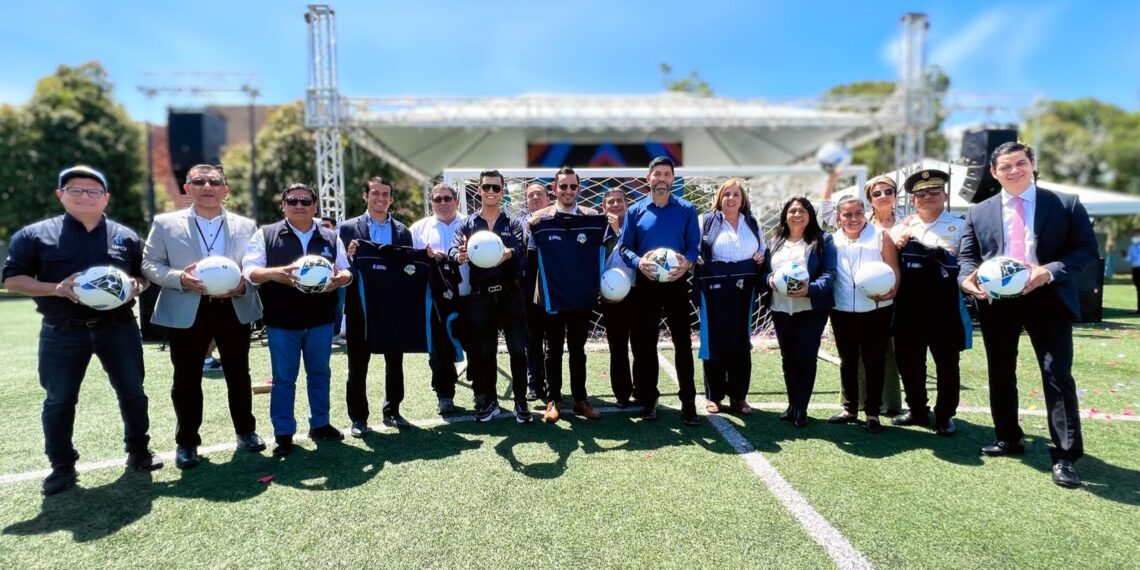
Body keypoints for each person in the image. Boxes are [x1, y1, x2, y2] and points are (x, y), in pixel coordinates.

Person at [2, 165, 162, 495]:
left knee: (133, 391)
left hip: (118, 327)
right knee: (59, 399)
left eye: (93, 191)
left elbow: (143, 277)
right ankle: (62, 466)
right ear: (60, 195)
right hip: (63, 330)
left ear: (105, 198)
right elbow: (13, 280)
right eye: (76, 190)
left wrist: (136, 285)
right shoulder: (35, 235)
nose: (85, 196)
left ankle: (139, 450)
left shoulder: (125, 237)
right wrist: (56, 289)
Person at [959, 142, 1098, 488]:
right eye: (1005, 167)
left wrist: (1048, 271)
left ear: (1032, 164)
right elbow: (966, 257)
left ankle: (1065, 455)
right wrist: (966, 280)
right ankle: (1008, 437)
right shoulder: (978, 212)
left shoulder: (1065, 203)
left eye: (1020, 163)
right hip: (997, 302)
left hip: (1047, 297)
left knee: (1056, 374)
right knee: (1000, 371)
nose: (1014, 171)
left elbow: (1086, 251)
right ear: (994, 173)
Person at [142, 164, 266, 469]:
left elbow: (255, 265)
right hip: (187, 308)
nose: (207, 187)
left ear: (225, 190)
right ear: (187, 188)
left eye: (214, 182)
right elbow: (150, 263)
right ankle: (187, 442)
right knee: (186, 378)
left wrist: (244, 285)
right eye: (199, 181)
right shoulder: (165, 224)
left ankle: (246, 431)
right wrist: (179, 279)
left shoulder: (246, 226)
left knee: (239, 374)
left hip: (233, 307)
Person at [243, 184, 352, 456]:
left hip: (320, 320)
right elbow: (249, 271)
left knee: (320, 373)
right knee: (283, 378)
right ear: (283, 205)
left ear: (315, 206)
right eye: (292, 201)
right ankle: (283, 433)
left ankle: (320, 423)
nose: (299, 205)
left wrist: (341, 279)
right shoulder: (266, 234)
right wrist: (274, 273)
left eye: (305, 201)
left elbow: (346, 271)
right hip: (282, 320)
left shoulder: (330, 236)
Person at [619, 157, 701, 426]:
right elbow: (624, 247)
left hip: (677, 283)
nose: (662, 179)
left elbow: (693, 246)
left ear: (673, 178)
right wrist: (638, 262)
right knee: (646, 345)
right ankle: (649, 398)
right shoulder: (635, 211)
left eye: (667, 174)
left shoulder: (687, 209)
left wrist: (687, 262)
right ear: (649, 178)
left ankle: (688, 401)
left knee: (683, 345)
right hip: (647, 284)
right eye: (657, 174)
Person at [890, 169, 970, 437]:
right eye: (920, 194)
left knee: (947, 364)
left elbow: (970, 261)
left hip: (944, 307)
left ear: (944, 196)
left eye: (933, 192)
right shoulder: (902, 227)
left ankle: (945, 414)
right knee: (909, 362)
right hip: (908, 306)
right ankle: (917, 409)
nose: (926, 197)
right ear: (913, 200)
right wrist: (896, 243)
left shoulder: (961, 226)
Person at [448, 170, 531, 423]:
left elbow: (520, 247)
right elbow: (453, 249)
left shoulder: (513, 223)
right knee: (485, 352)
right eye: (486, 187)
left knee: (518, 350)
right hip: (481, 298)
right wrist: (459, 255)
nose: (491, 192)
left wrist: (507, 253)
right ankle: (491, 401)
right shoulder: (467, 224)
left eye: (496, 188)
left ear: (502, 191)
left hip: (510, 295)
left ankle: (520, 401)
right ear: (479, 190)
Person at [822, 172, 904, 416]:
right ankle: (850, 408)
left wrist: (891, 292)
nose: (854, 218)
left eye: (858, 213)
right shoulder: (832, 240)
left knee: (874, 360)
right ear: (839, 217)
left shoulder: (880, 235)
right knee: (848, 361)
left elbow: (893, 268)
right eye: (847, 215)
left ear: (864, 212)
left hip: (875, 310)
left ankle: (872, 412)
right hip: (841, 310)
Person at [527, 166, 605, 422]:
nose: (568, 191)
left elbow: (610, 244)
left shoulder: (593, 218)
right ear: (555, 189)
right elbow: (530, 258)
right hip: (552, 297)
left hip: (581, 297)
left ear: (578, 189)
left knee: (578, 350)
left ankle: (580, 400)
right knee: (553, 351)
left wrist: (614, 224)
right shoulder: (538, 221)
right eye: (563, 186)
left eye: (573, 186)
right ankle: (554, 400)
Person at [339, 177, 414, 436]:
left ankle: (392, 410)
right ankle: (359, 418)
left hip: (392, 307)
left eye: (385, 194)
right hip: (359, 306)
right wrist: (348, 256)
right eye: (375, 193)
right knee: (357, 364)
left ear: (391, 199)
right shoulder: (347, 228)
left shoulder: (403, 231)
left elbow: (408, 268)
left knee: (395, 362)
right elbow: (340, 265)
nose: (380, 198)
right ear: (365, 196)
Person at [764, 196, 835, 428]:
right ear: (785, 215)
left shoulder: (822, 239)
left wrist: (809, 289)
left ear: (810, 215)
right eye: (792, 211)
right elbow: (764, 271)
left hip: (810, 309)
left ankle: (802, 407)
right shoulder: (775, 241)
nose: (797, 214)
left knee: (805, 357)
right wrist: (769, 279)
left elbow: (829, 273)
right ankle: (792, 404)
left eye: (802, 210)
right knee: (788, 358)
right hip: (781, 308)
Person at [696, 178, 765, 415]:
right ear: (719, 198)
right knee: (714, 341)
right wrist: (696, 256)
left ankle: (739, 397)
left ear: (742, 199)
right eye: (726, 194)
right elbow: (693, 247)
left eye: (736, 194)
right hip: (713, 286)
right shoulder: (706, 221)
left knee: (740, 341)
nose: (731, 198)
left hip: (744, 287)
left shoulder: (753, 222)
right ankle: (714, 396)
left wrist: (760, 256)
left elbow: (762, 249)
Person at [410, 183, 467, 414]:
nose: (443, 203)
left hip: (470, 295)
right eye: (437, 199)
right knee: (439, 350)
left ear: (457, 201)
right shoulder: (418, 229)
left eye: (447, 198)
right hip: (434, 300)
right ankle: (444, 395)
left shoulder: (471, 224)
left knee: (477, 345)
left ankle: (483, 394)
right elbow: (410, 265)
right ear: (431, 203)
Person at [600, 187, 636, 407]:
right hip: (611, 296)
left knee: (641, 345)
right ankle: (622, 394)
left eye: (619, 201)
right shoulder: (599, 230)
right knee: (618, 346)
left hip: (637, 293)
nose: (615, 205)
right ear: (604, 207)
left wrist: (619, 231)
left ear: (626, 204)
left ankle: (643, 390)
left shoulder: (636, 227)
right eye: (610, 202)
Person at [520, 182, 552, 402]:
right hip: (528, 290)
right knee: (531, 340)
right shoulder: (519, 224)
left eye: (539, 194)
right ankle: (534, 383)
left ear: (548, 198)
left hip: (553, 288)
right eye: (530, 195)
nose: (535, 197)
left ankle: (551, 383)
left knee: (553, 341)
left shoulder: (557, 219)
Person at [320, 216, 347, 345]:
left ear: (334, 227)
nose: (323, 228)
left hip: (339, 280)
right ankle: (323, 335)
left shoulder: (337, 240)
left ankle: (335, 334)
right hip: (321, 281)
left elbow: (344, 264)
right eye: (321, 225)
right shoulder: (317, 240)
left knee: (339, 307)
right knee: (324, 307)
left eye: (327, 226)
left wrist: (340, 273)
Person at [1126, 229, 1140, 313]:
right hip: (1135, 269)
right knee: (1138, 289)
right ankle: (1139, 308)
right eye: (1134, 235)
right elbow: (1129, 258)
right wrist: (1125, 255)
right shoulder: (1131, 247)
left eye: (1137, 235)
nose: (1135, 237)